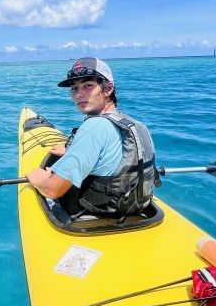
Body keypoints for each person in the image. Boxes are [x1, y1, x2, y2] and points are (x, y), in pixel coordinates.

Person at [26, 57, 157, 220]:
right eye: (74, 88)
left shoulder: (93, 128)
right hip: (135, 209)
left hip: (96, 216)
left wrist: (37, 177)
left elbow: (53, 189)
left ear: (108, 88)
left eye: (87, 86)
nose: (78, 94)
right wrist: (71, 151)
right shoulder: (134, 125)